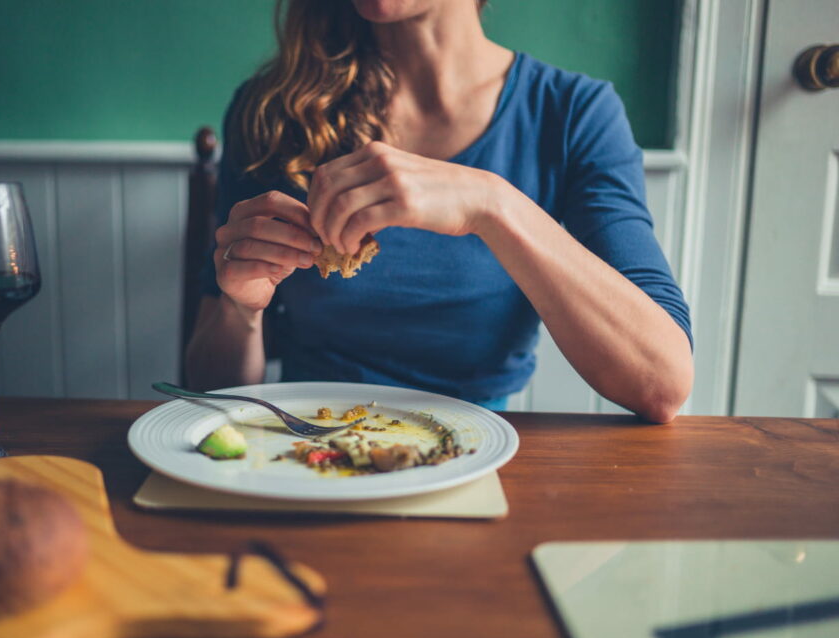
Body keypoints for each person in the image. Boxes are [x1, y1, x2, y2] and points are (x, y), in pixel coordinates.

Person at [186, 0, 693, 423]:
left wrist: (490, 204)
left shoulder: (573, 115)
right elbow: (208, 390)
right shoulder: (273, 112)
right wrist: (240, 309)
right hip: (299, 449)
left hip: (479, 460)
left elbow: (661, 383)